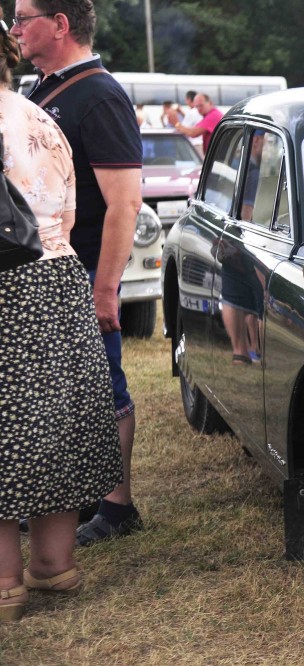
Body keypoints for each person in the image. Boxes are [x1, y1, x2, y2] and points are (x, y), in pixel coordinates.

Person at [0, 12, 122, 622]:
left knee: (7, 425)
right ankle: (54, 564)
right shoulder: (39, 115)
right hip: (59, 274)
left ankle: (3, 581)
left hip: (7, 283)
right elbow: (71, 205)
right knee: (54, 418)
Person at [15, 0, 144, 546]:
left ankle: (118, 508)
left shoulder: (100, 95)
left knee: (104, 384)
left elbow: (125, 204)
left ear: (60, 25)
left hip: (83, 269)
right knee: (56, 391)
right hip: (48, 270)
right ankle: (73, 497)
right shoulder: (41, 88)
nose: (15, 28)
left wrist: (106, 290)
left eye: (23, 17)